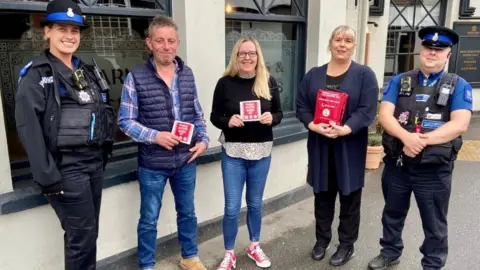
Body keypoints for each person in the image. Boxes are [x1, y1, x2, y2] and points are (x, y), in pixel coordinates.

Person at [14, 0, 116, 269]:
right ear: (46, 31)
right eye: (62, 28)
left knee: (86, 235)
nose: (70, 36)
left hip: (93, 164)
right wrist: (48, 177)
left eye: (75, 30)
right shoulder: (36, 75)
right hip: (66, 169)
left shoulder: (85, 70)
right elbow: (29, 129)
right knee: (81, 237)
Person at [368, 26, 472, 270]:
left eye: (439, 49)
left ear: (448, 54)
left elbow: (460, 123)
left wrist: (420, 141)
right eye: (428, 48)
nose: (432, 53)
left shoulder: (458, 85)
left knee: (434, 222)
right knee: (392, 213)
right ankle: (390, 252)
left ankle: (433, 264)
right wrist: (407, 137)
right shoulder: (399, 81)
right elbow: (385, 115)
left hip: (434, 170)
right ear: (420, 50)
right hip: (398, 165)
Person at [117, 15, 209, 270]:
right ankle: (147, 265)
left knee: (188, 213)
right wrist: (154, 136)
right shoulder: (135, 77)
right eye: (160, 41)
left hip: (185, 160)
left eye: (171, 41)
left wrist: (203, 140)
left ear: (177, 43)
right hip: (152, 163)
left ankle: (189, 256)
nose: (166, 46)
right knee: (148, 219)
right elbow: (125, 121)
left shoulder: (187, 74)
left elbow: (197, 114)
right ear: (149, 43)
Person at [296, 25, 379, 266]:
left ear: (354, 46)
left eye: (348, 41)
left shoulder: (364, 75)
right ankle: (322, 241)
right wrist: (312, 125)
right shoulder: (313, 74)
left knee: (350, 198)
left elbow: (367, 109)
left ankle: (346, 245)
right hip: (320, 145)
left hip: (349, 147)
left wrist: (346, 128)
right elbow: (302, 105)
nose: (342, 44)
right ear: (330, 43)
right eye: (338, 39)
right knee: (322, 196)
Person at [210, 37, 283, 270]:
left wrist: (273, 119)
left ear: (258, 56)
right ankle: (229, 252)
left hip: (261, 152)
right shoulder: (225, 83)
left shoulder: (268, 81)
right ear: (236, 56)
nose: (247, 57)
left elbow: (279, 112)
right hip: (233, 153)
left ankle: (254, 245)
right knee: (232, 207)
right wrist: (227, 121)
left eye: (251, 53)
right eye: (242, 53)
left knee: (255, 204)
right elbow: (214, 116)